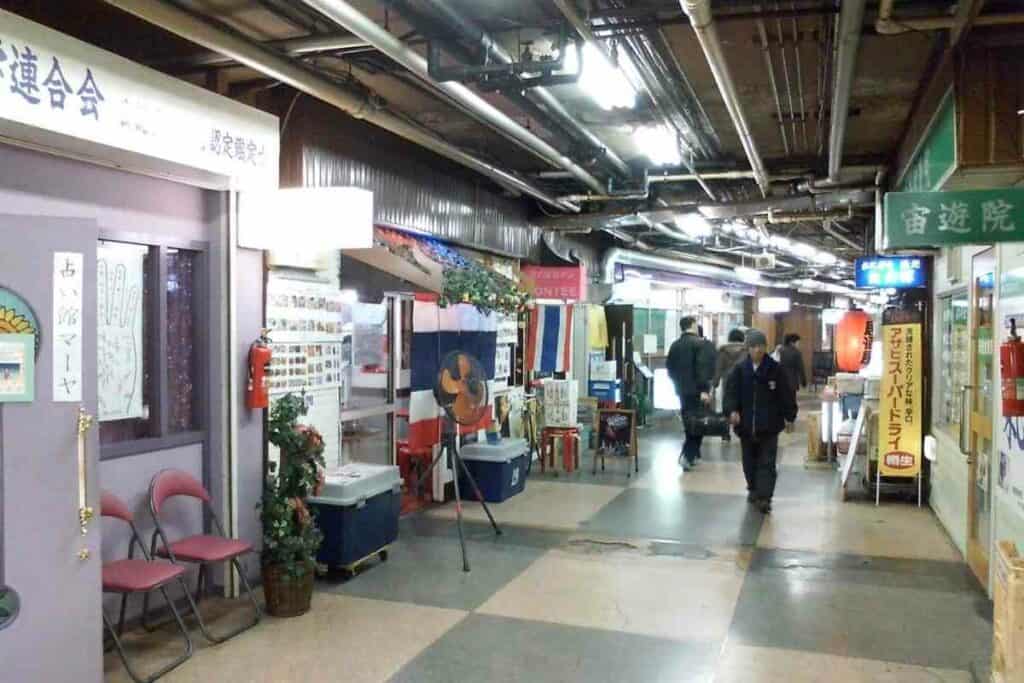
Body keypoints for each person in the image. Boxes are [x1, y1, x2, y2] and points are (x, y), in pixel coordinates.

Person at [723, 329, 798, 513]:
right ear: (748, 348)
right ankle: (753, 489)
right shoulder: (740, 370)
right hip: (746, 426)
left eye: (761, 346)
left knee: (767, 462)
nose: (758, 350)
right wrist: (731, 410)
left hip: (769, 426)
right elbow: (730, 393)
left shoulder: (775, 369)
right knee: (749, 462)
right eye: (754, 346)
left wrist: (790, 416)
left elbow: (786, 394)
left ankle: (765, 497)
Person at [667, 316, 714, 470]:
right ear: (693, 325)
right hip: (697, 392)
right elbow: (702, 369)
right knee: (699, 423)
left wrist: (678, 384)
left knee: (689, 423)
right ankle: (687, 455)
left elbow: (670, 368)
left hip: (682, 391)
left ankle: (692, 455)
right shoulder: (700, 344)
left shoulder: (675, 345)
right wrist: (704, 390)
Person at [779, 333, 808, 403]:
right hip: (791, 383)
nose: (799, 345)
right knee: (791, 402)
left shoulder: (780, 350)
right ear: (792, 342)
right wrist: (803, 381)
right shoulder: (796, 352)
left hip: (780, 381)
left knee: (782, 402)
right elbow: (800, 368)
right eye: (798, 342)